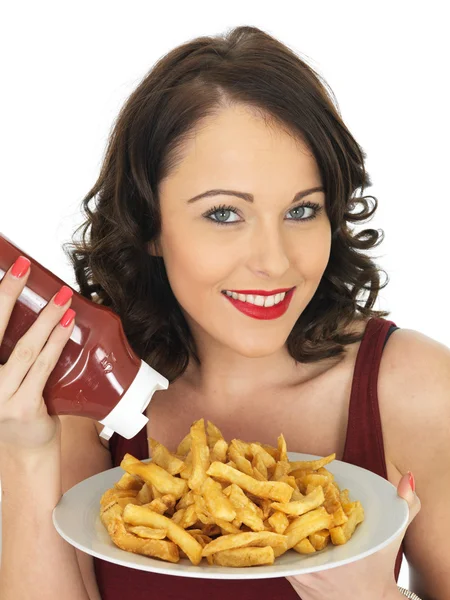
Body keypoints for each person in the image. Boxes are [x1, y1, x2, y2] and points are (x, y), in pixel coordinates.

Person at [0, 25, 447, 600]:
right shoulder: (91, 389)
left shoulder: (417, 390)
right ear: (150, 223)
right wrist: (24, 454)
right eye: (224, 215)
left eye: (302, 210)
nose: (274, 261)